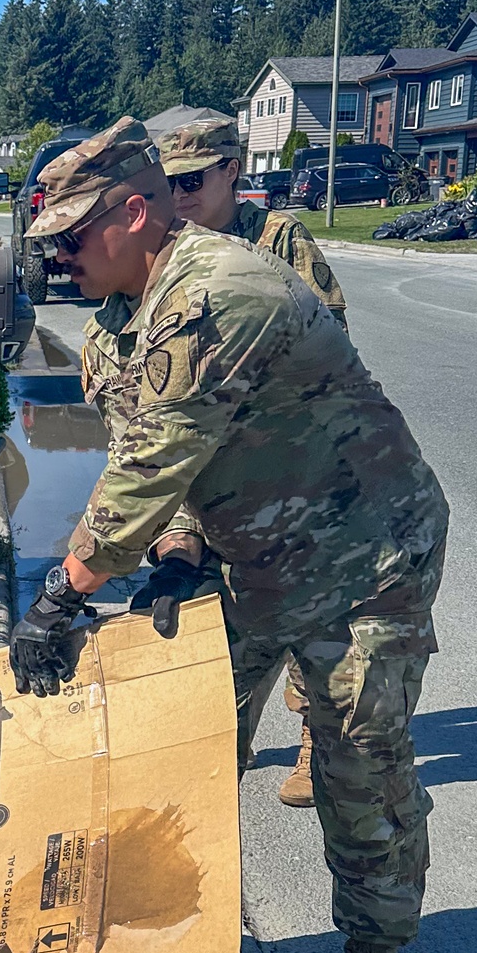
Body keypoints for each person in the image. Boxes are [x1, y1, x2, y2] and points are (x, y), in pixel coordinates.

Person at [9, 117, 449, 953]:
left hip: (362, 557)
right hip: (252, 560)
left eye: (75, 236)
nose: (60, 256)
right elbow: (160, 470)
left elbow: (151, 459)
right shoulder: (115, 330)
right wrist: (174, 550)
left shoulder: (219, 292)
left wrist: (62, 593)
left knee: (355, 764)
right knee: (187, 744)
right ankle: (180, 937)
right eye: (50, 241)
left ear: (136, 213)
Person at [156, 118, 350, 808]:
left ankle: (311, 739)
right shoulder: (170, 251)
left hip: (288, 463)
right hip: (208, 470)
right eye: (168, 183)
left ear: (232, 171)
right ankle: (221, 753)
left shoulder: (280, 240)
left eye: (192, 181)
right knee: (219, 633)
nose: (179, 194)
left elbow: (327, 337)